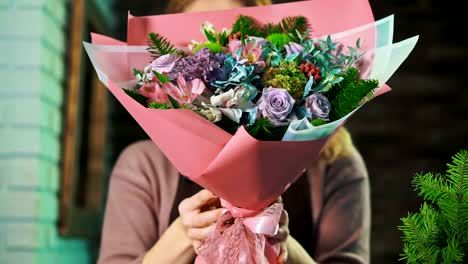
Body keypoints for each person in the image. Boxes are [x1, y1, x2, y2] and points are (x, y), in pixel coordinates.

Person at [97, 0, 371, 263]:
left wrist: (283, 245)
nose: (213, 56)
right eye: (199, 44)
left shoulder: (335, 164)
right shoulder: (142, 166)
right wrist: (185, 233)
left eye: (231, 40)